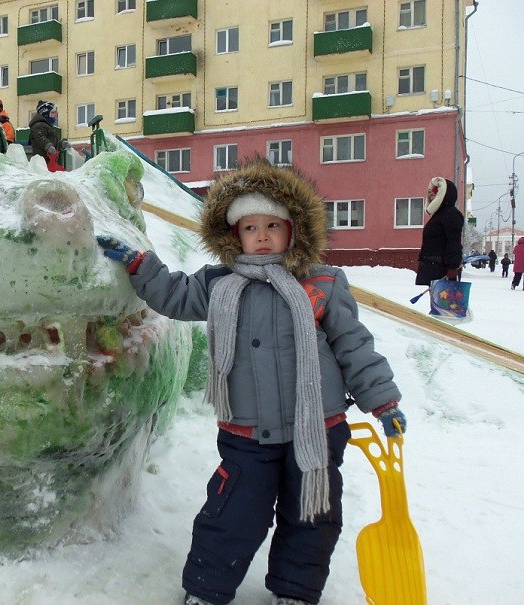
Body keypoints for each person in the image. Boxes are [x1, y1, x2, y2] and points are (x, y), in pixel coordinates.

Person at [96, 159, 406, 605]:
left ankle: (296, 592)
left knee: (312, 515)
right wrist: (142, 266)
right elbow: (175, 295)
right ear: (233, 234)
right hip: (246, 430)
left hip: (317, 428)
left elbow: (355, 347)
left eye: (272, 226)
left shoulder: (322, 283)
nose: (261, 236)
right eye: (250, 227)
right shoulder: (219, 284)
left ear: (293, 229)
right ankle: (206, 590)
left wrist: (384, 402)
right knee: (231, 514)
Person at [415, 176, 464, 286]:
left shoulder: (451, 214)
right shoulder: (439, 215)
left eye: (435, 191)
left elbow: (453, 242)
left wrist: (452, 267)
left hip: (442, 271)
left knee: (445, 303)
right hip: (433, 269)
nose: (431, 195)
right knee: (436, 302)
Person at [28, 100, 70, 170]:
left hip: (49, 161)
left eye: (56, 113)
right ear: (45, 113)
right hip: (42, 162)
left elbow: (53, 143)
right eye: (53, 112)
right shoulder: (38, 125)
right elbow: (39, 137)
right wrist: (48, 146)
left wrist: (61, 144)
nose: (55, 114)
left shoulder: (48, 126)